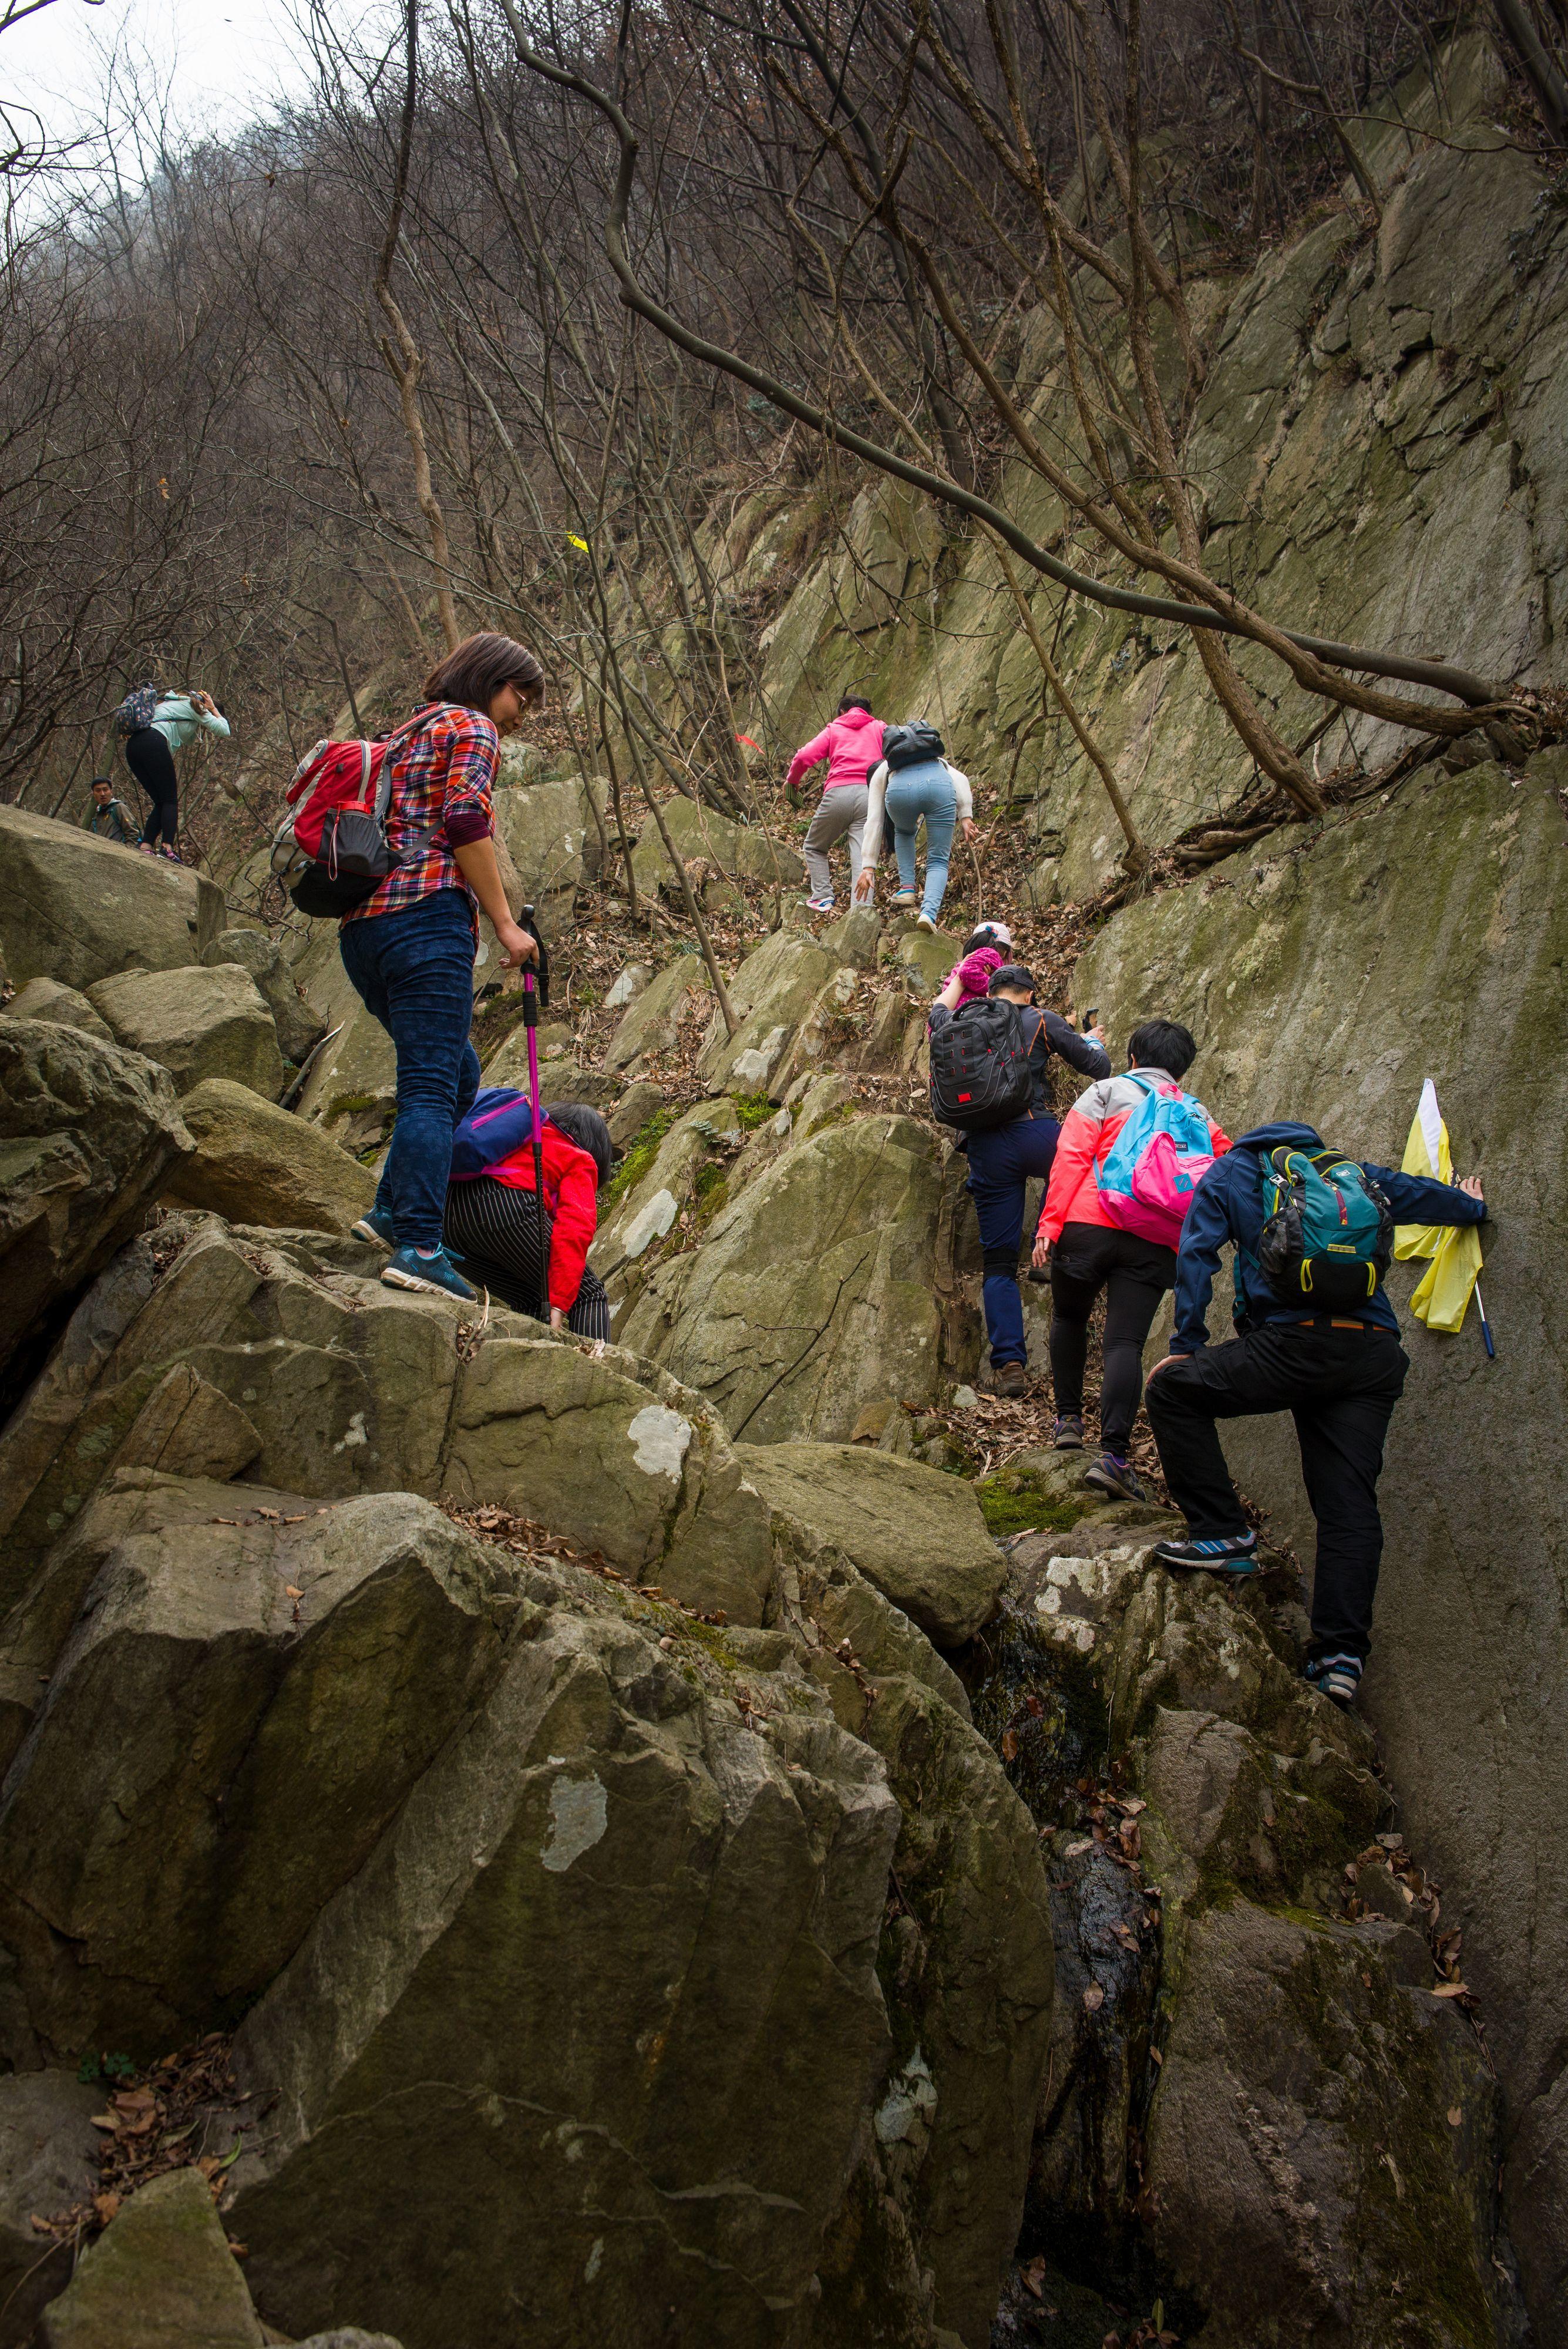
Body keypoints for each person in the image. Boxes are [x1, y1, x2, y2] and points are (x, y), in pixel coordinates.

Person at [1142, 1115, 1488, 1710]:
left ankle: (1222, 1532)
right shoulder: (1344, 1172)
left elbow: (1197, 1255)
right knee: (1348, 1502)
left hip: (1291, 1346)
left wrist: (1187, 1346)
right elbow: (1414, 1195)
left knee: (1172, 1392)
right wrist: (1470, 1205)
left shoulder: (1233, 1170)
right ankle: (1340, 1656)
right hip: (1371, 1355)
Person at [341, 631, 546, 1303]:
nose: (521, 715)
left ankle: (390, 1211)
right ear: (491, 680)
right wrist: (505, 921)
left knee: (457, 1072)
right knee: (431, 1086)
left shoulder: (404, 734)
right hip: (427, 921)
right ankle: (421, 1246)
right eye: (520, 697)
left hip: (363, 932)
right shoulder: (474, 728)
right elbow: (464, 821)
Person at [1031, 1019, 1231, 1503]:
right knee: (1125, 1343)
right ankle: (1115, 1457)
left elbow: (1071, 1157)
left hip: (1089, 1221)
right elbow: (1226, 1172)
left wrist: (1050, 1225)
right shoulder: (1196, 1112)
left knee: (1069, 1318)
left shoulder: (1106, 1091)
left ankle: (1068, 1421)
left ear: (1134, 1057)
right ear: (1181, 1069)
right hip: (1155, 1237)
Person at [933, 961, 1109, 1399]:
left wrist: (962, 975)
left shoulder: (960, 1022)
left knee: (997, 1264)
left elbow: (936, 1011)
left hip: (985, 1148)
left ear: (990, 993)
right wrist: (1093, 1040)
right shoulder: (1040, 1019)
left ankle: (1010, 1364)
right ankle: (1045, 1248)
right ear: (1029, 994)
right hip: (1035, 1132)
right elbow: (1096, 1067)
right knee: (1080, 1164)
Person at [444, 1099, 614, 1339]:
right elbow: (575, 1229)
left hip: (446, 1222)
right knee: (588, 1294)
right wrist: (560, 1304)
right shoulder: (578, 1157)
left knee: (531, 1300)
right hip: (502, 1206)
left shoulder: (516, 1137)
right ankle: (597, 1363)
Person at [854, 721, 977, 933]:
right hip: (940, 787)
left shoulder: (886, 766)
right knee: (938, 859)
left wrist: (868, 867)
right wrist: (966, 816)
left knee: (903, 831)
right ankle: (928, 914)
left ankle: (907, 888)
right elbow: (961, 779)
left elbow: (874, 819)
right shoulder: (937, 760)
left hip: (900, 793)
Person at [785, 694, 886, 913]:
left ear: (842, 711)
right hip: (870, 795)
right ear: (867, 712)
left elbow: (803, 757)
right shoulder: (878, 728)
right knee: (863, 857)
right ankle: (861, 911)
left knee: (814, 846)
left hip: (838, 794)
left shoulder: (834, 729)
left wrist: (792, 781)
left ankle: (823, 896)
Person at [122, 685, 231, 859]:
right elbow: (224, 730)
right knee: (170, 800)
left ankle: (146, 846)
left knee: (161, 801)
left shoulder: (171, 702)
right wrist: (213, 710)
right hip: (154, 742)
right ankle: (167, 849)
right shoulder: (195, 705)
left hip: (133, 747)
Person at [82, 776, 136, 844]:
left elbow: (133, 833)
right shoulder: (96, 813)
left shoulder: (120, 808)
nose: (102, 794)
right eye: (98, 791)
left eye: (105, 790)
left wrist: (128, 849)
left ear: (111, 791)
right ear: (94, 794)